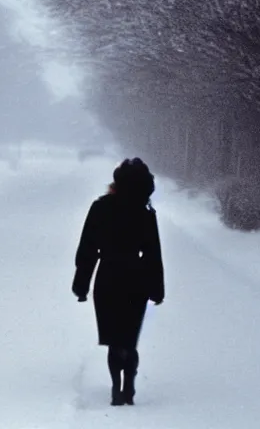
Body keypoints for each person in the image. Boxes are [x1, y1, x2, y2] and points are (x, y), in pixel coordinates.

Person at [72, 157, 165, 406]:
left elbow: (88, 249)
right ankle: (129, 385)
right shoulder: (145, 214)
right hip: (137, 277)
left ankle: (116, 387)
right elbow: (154, 253)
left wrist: (81, 284)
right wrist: (157, 288)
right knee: (129, 336)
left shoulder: (101, 208)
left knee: (114, 337)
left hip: (108, 277)